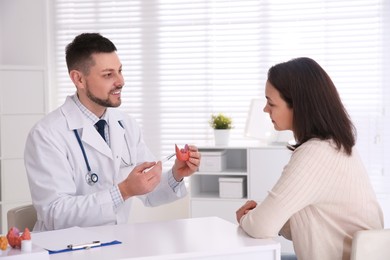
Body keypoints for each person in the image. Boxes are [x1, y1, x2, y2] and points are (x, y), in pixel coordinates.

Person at [24, 33, 201, 232]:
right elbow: (55, 214)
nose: (121, 81)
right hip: (63, 248)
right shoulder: (47, 134)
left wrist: (176, 174)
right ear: (79, 79)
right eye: (108, 75)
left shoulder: (126, 125)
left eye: (120, 71)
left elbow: (149, 194)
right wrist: (123, 191)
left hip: (114, 243)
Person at [236, 57, 383, 260]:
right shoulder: (335, 146)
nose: (265, 109)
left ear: (298, 106)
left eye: (271, 103)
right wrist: (266, 215)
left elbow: (261, 227)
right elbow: (315, 221)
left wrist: (247, 218)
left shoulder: (316, 154)